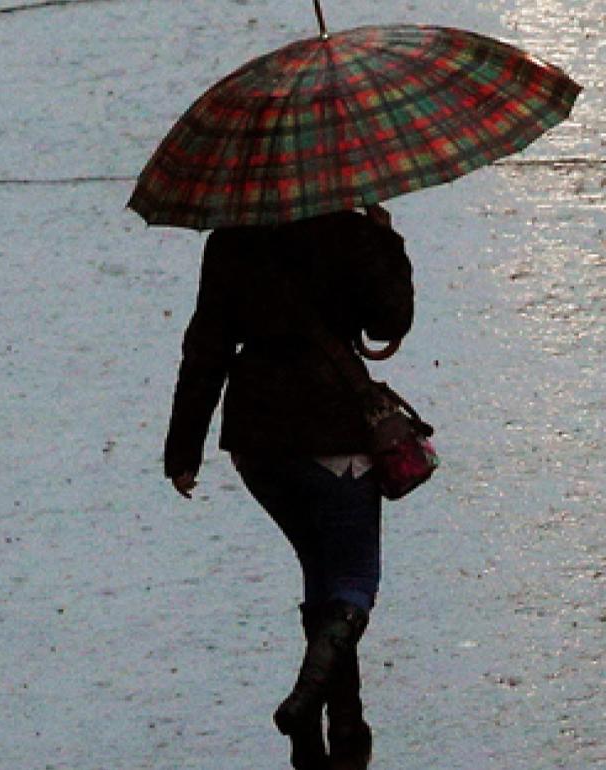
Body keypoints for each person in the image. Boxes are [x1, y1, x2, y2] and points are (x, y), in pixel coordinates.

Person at [163, 204, 413, 770]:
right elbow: (389, 321)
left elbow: (206, 349)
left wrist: (184, 449)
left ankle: (341, 726)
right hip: (335, 435)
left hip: (259, 444)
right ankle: (308, 706)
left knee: (321, 575)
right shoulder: (351, 233)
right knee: (353, 580)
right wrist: (386, 243)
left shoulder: (230, 242)